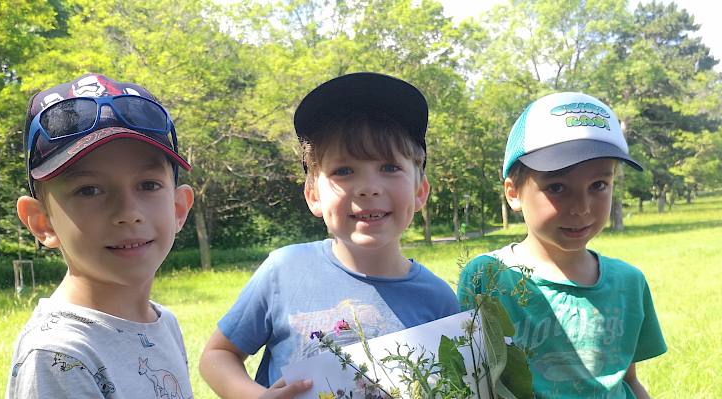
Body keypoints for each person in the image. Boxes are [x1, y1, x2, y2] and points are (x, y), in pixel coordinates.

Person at [199, 72, 460, 399]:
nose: (367, 188)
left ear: (420, 191)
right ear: (313, 195)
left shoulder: (439, 301)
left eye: (390, 167)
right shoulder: (285, 270)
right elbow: (217, 356)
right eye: (344, 171)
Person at [458, 92, 667, 398]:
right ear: (513, 193)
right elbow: (471, 383)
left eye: (599, 185)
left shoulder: (629, 282)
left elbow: (628, 380)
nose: (581, 207)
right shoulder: (487, 278)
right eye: (557, 187)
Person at [6, 74, 195, 398]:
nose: (127, 211)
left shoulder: (164, 324)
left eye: (148, 185)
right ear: (42, 223)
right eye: (89, 190)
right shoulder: (59, 354)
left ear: (178, 208)